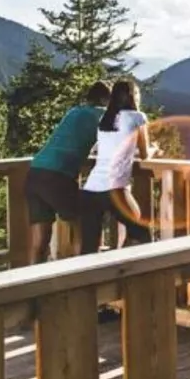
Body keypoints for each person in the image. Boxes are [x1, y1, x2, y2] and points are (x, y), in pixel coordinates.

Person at [25, 80, 111, 263]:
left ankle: (32, 282)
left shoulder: (74, 112)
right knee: (85, 219)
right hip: (58, 175)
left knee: (40, 237)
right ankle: (83, 271)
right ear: (106, 99)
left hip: (36, 172)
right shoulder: (102, 115)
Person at [79, 78, 157, 252]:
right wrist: (155, 149)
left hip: (91, 189)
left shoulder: (105, 120)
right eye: (137, 94)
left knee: (89, 249)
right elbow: (144, 154)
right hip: (115, 189)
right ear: (132, 96)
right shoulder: (137, 117)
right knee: (142, 234)